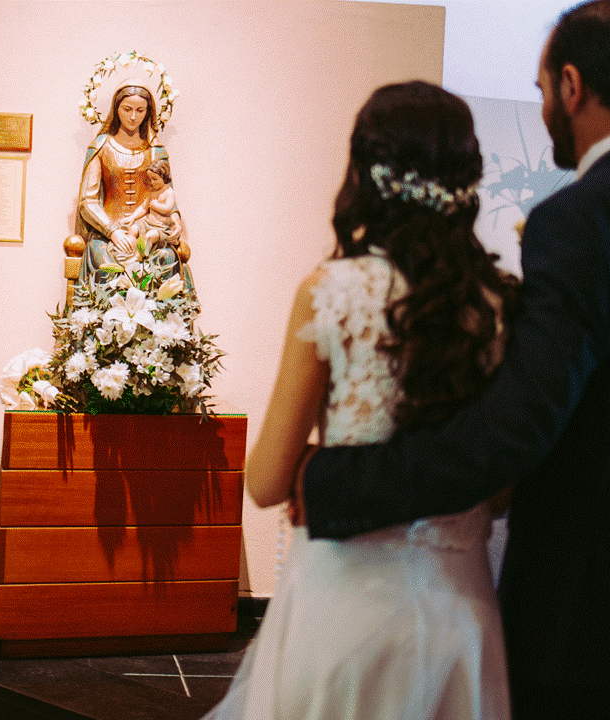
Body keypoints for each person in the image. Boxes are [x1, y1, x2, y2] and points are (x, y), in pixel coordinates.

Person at [299, 2, 610, 719]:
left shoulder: (578, 219)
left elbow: (520, 424)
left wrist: (340, 481)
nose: (542, 109)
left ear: (572, 85)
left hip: (585, 621)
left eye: (540, 91)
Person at [203, 81, 518, 720]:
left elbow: (264, 482)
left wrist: (312, 464)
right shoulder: (500, 306)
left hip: (342, 609)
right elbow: (504, 485)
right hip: (458, 612)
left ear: (363, 172)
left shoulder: (333, 292)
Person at [75, 83, 194, 293]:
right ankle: (103, 324)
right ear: (116, 109)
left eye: (140, 110)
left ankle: (159, 324)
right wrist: (112, 232)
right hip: (107, 233)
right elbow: (88, 201)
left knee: (164, 259)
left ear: (148, 112)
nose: (133, 117)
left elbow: (168, 194)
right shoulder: (101, 147)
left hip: (150, 229)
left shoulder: (155, 150)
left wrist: (175, 221)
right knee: (106, 264)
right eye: (126, 109)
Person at [119, 158, 178, 260]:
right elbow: (143, 207)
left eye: (154, 179)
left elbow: (168, 208)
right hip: (146, 224)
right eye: (150, 179)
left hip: (161, 227)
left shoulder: (169, 192)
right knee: (133, 229)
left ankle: (138, 258)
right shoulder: (152, 192)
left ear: (164, 177)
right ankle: (128, 252)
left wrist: (156, 206)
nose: (152, 182)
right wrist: (133, 217)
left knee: (150, 236)